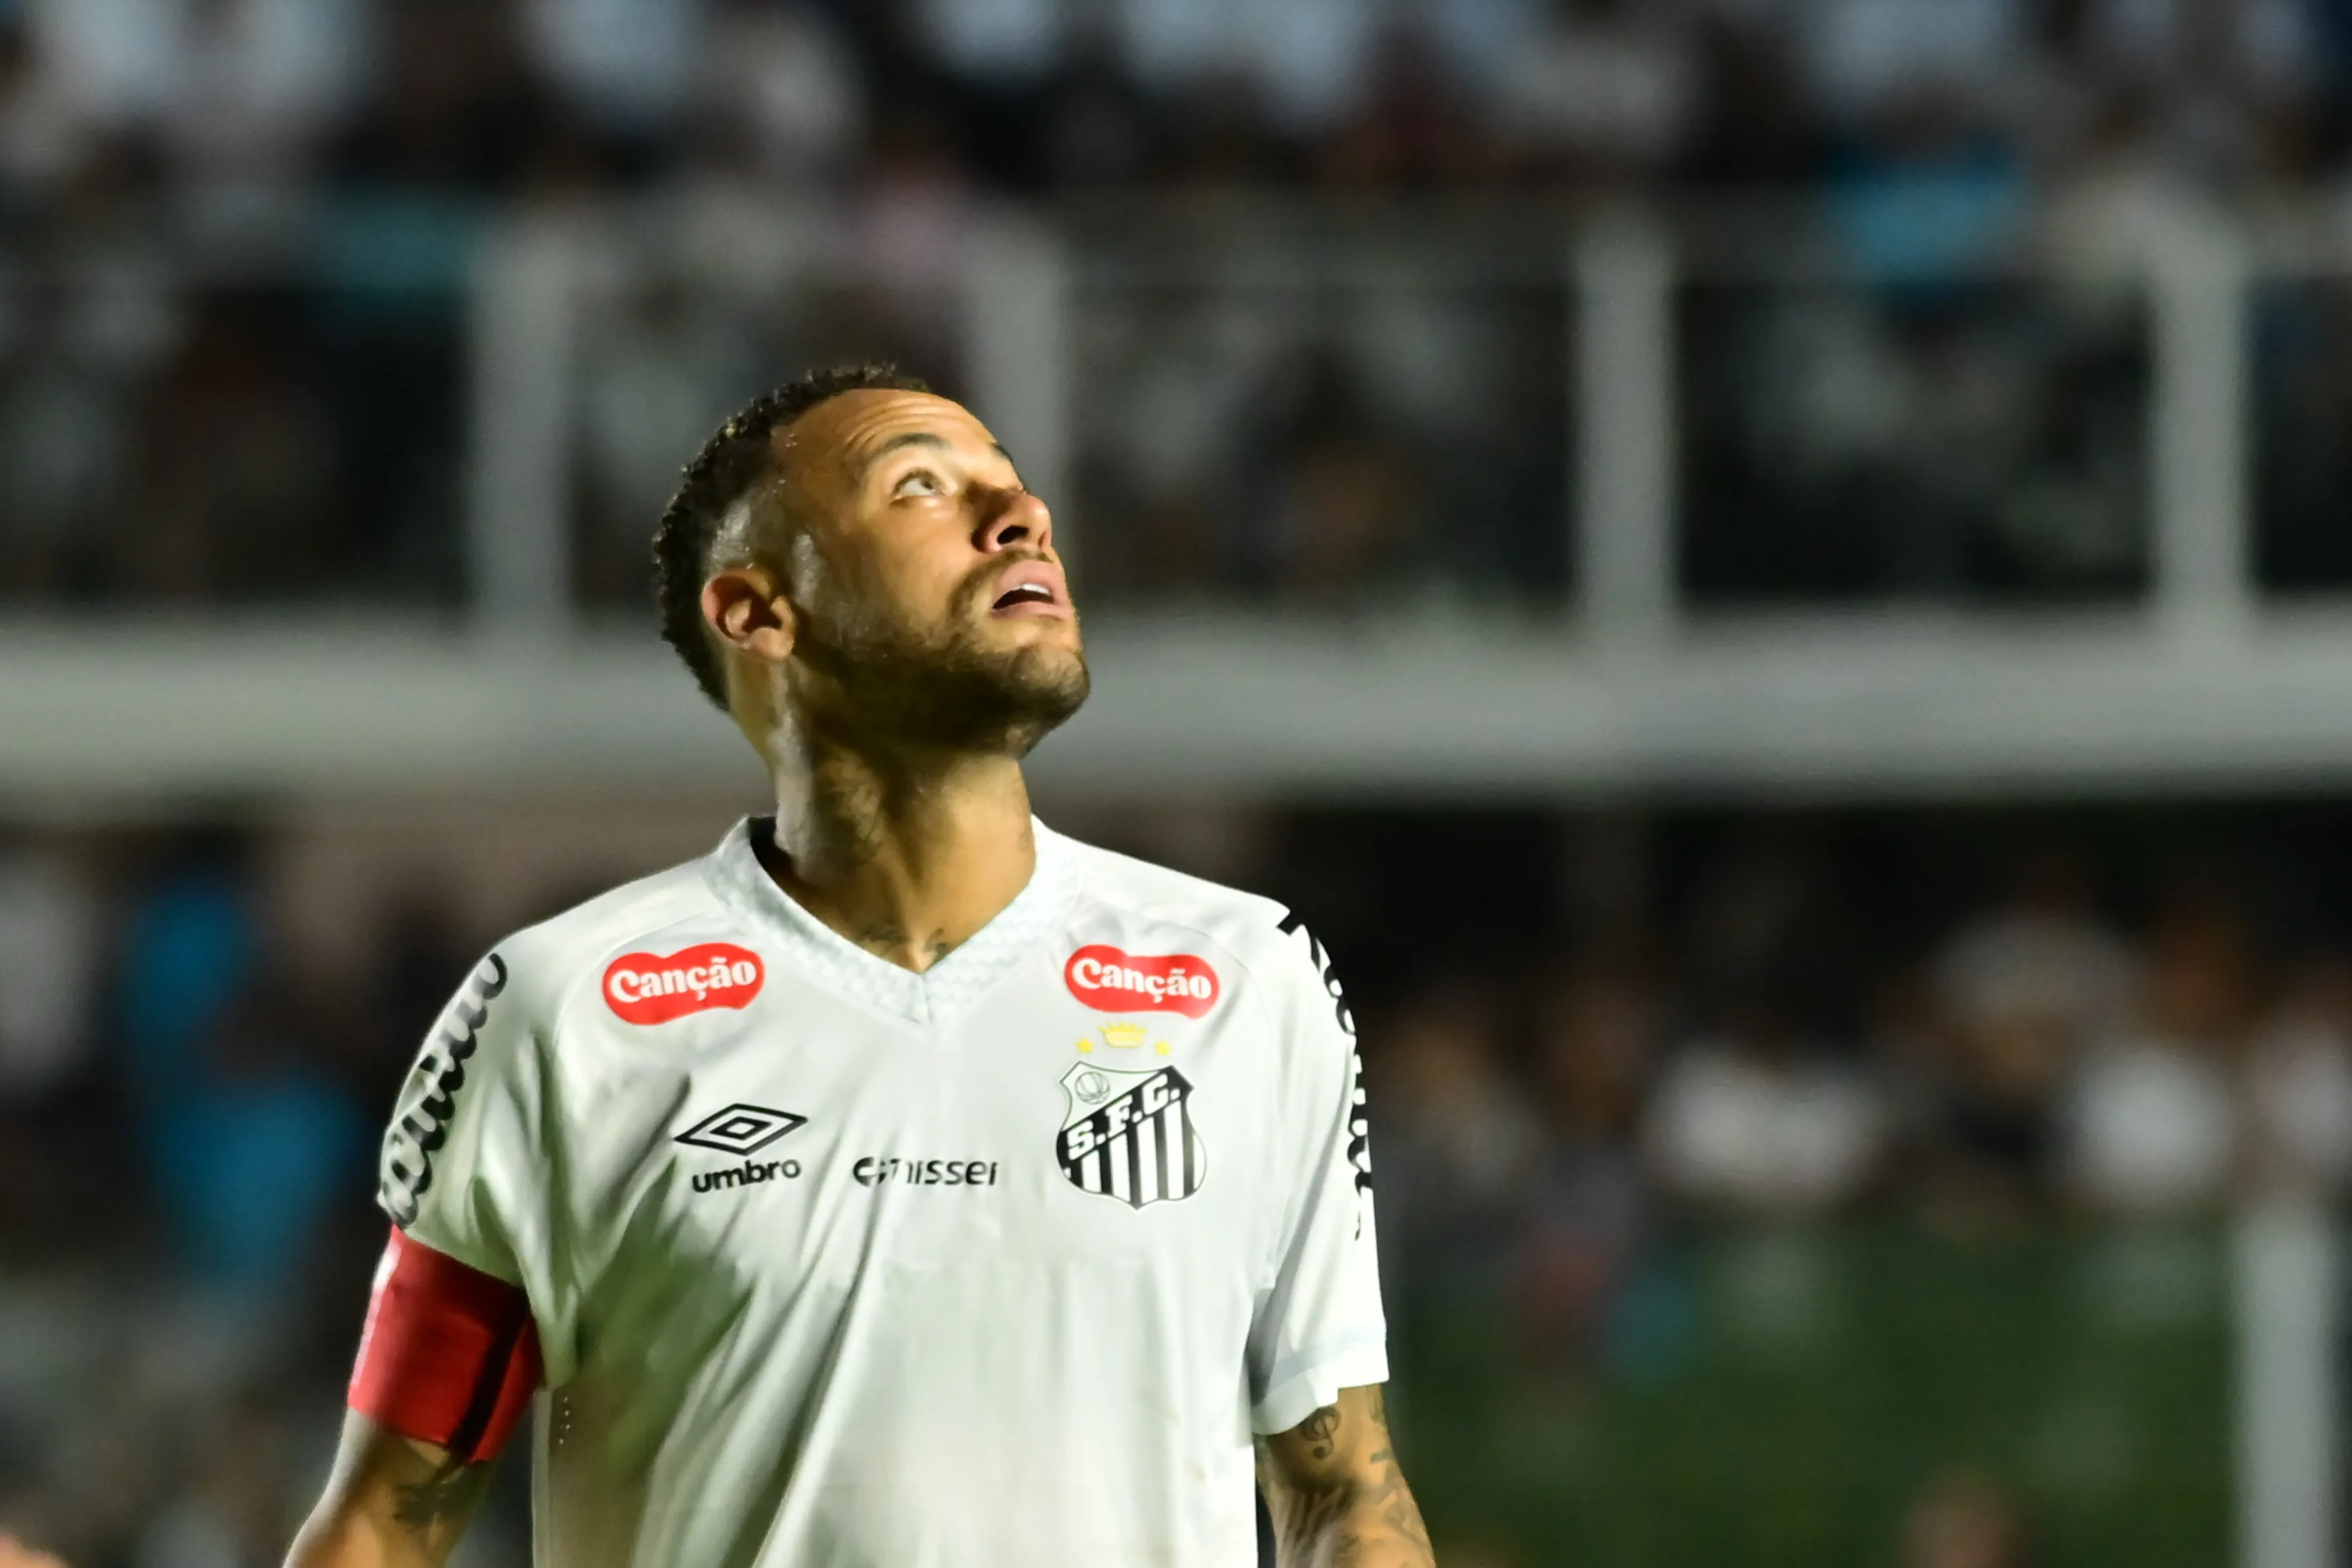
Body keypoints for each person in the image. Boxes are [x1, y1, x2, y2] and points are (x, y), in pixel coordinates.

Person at [284, 365, 1431, 1568]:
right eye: (921, 486)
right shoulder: (563, 1012)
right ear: (759, 611)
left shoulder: (1249, 982)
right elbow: (385, 1523)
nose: (1019, 517)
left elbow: (1342, 1497)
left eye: (1016, 489)